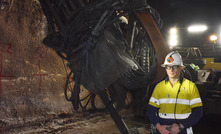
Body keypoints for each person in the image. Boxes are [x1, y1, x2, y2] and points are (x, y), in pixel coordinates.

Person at [146, 51, 203, 134]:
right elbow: (150, 110)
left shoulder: (191, 87)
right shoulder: (159, 87)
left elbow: (197, 112)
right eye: (168, 67)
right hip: (163, 130)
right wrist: (159, 127)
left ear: (181, 67)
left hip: (183, 130)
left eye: (175, 67)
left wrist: (181, 126)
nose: (171, 70)